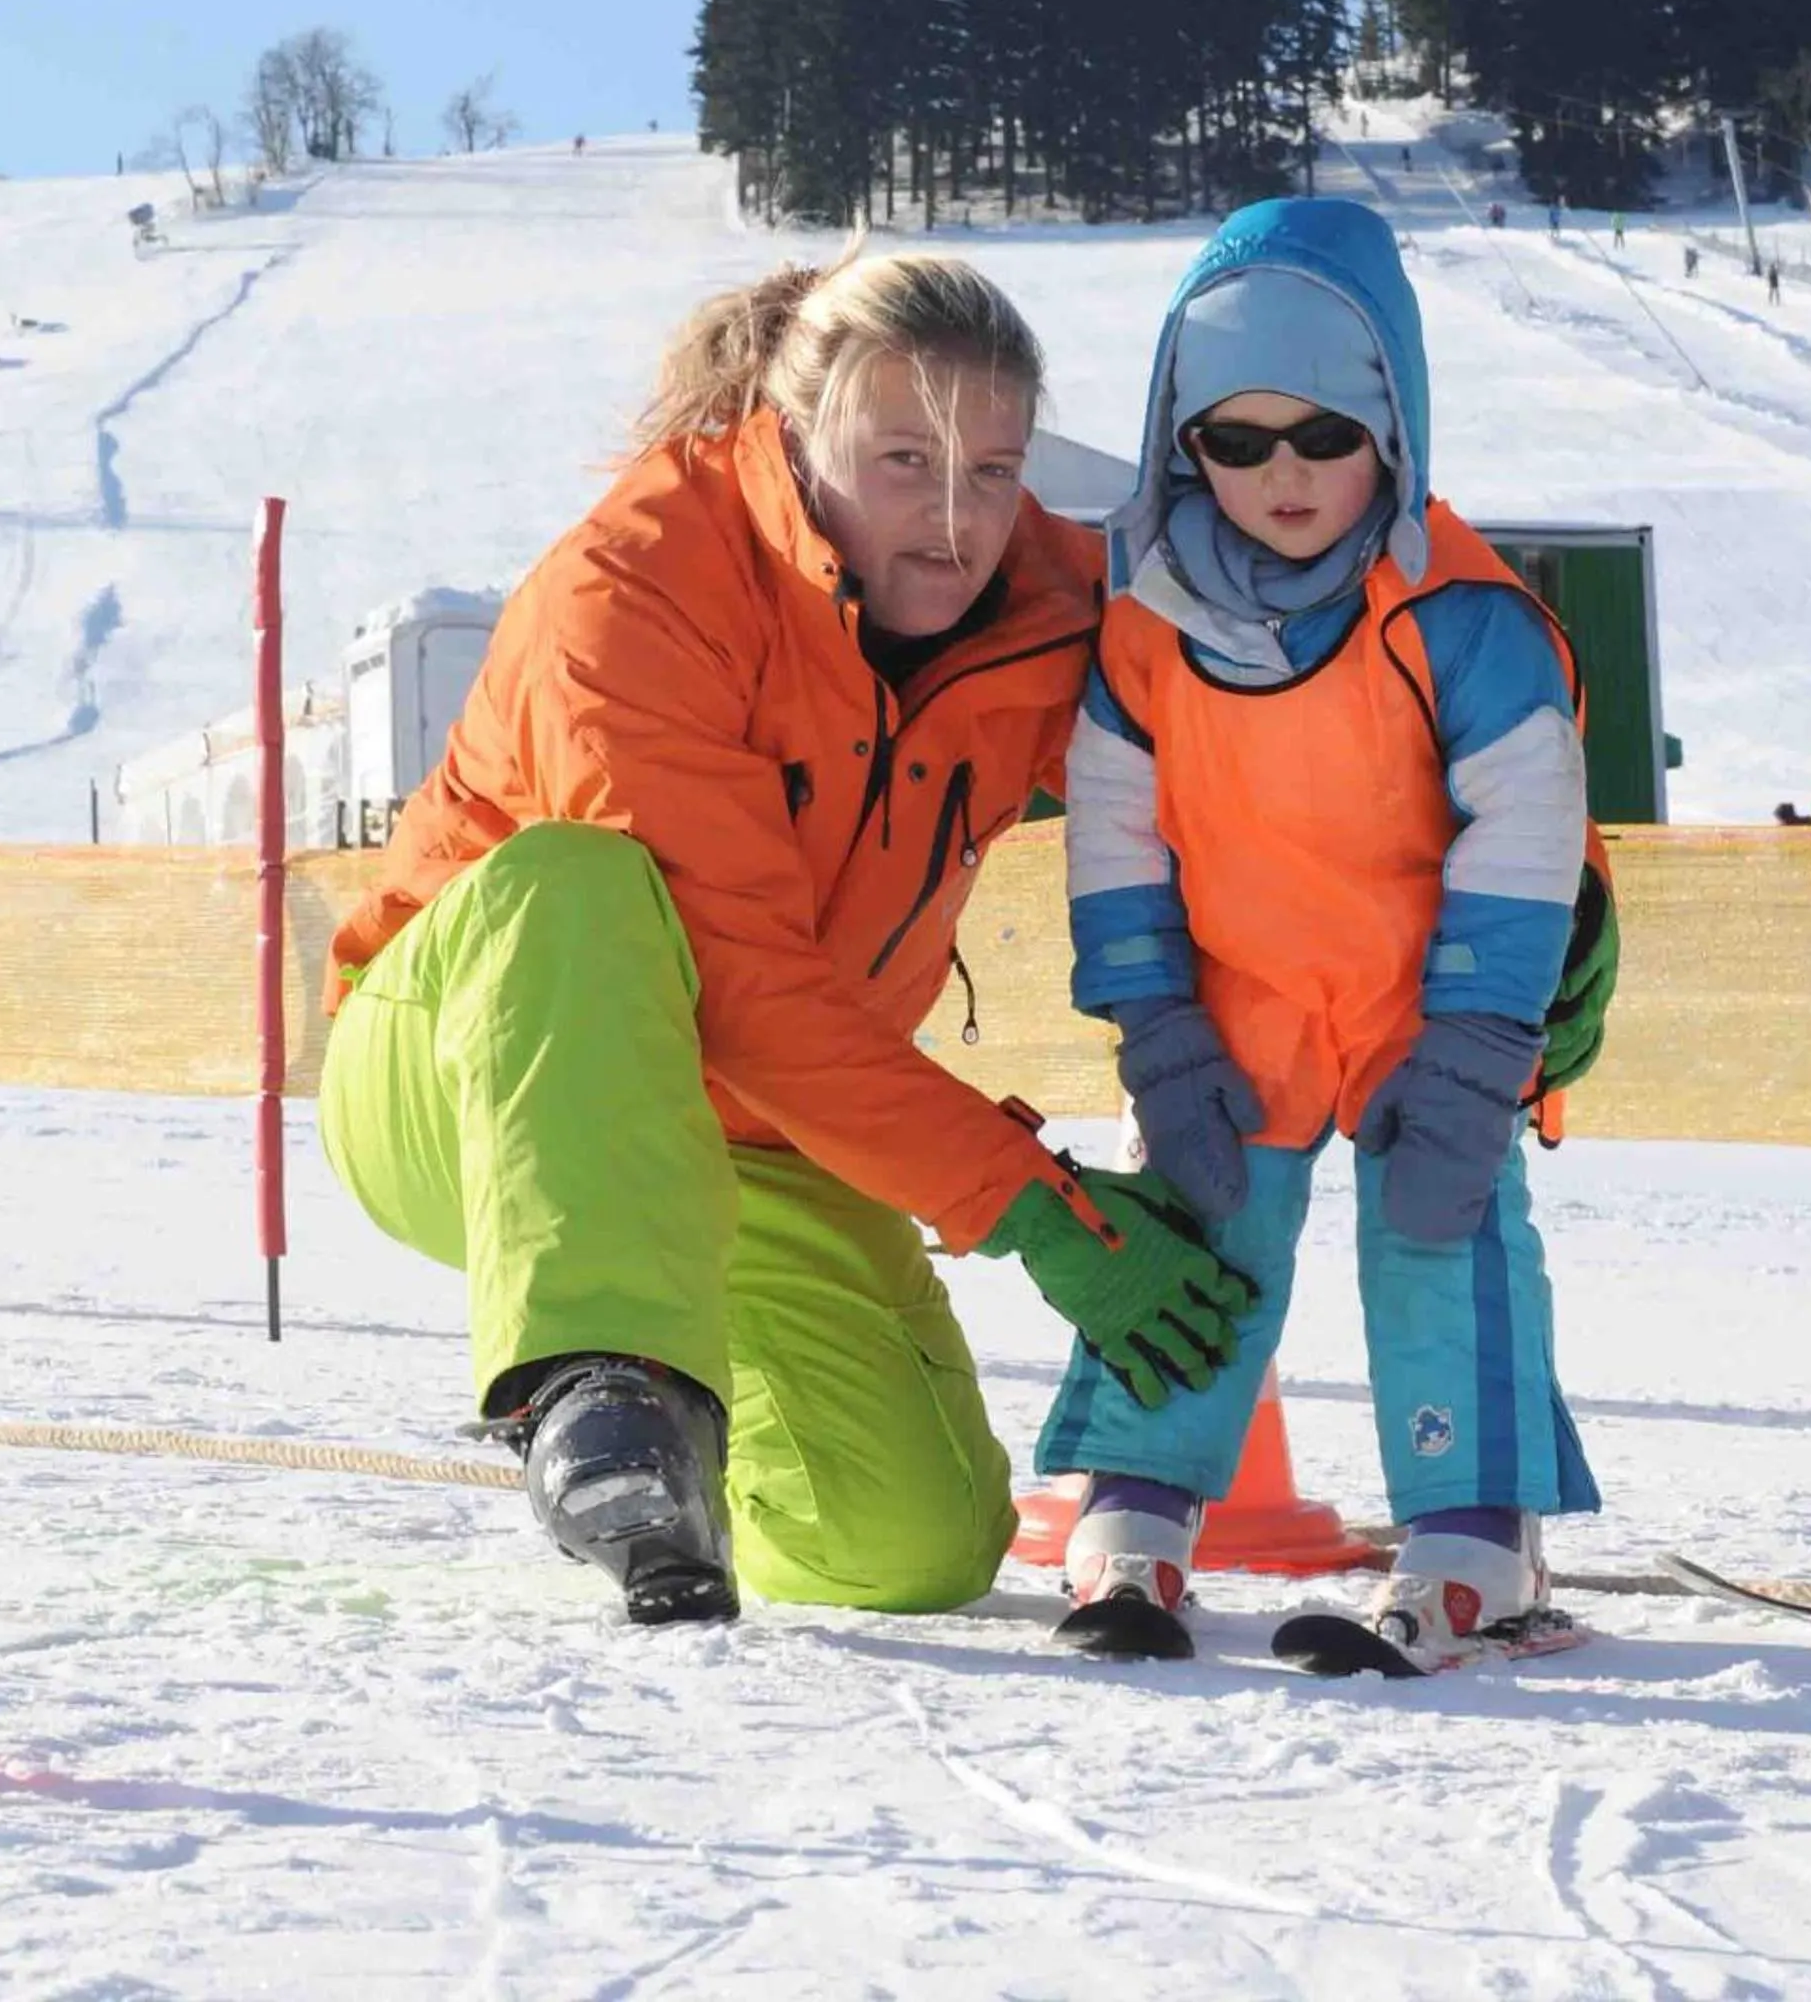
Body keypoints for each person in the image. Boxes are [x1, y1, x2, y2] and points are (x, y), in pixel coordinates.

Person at [314, 253, 1262, 1626]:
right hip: (475, 1080)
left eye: (993, 471)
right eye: (900, 461)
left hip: (770, 1128)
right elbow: (743, 987)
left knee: (914, 1550)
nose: (953, 522)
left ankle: (701, 1453)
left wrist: (1534, 898)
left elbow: (1304, 694)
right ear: (788, 432)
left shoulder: (1054, 601)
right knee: (576, 882)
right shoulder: (635, 591)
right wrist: (1032, 1209)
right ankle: (602, 1397)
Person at [1038, 197, 1607, 1667]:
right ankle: (1140, 1508)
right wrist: (1155, 1029)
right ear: (1184, 446)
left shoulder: (1460, 619)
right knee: (1200, 1230)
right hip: (1238, 1005)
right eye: (1235, 441)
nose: (1280, 475)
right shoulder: (1147, 625)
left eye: (1322, 437)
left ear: (1391, 432)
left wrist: (1481, 1051)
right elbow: (1114, 830)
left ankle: (1477, 1532)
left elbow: (1528, 828)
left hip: (1429, 1007)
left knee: (1443, 1233)